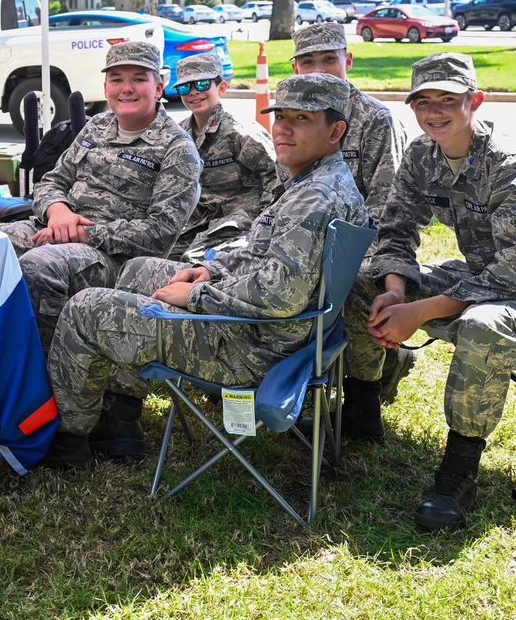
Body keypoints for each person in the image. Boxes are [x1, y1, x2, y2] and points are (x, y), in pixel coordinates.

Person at [41, 72, 371, 469]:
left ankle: (68, 443)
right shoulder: (322, 180)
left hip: (250, 351)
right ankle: (120, 421)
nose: (283, 128)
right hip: (280, 335)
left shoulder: (314, 198)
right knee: (138, 270)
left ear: (335, 131)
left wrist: (196, 296)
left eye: (302, 119)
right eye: (281, 116)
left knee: (84, 309)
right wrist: (210, 271)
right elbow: (262, 254)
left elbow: (280, 294)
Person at [342, 52, 516, 531]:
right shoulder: (422, 155)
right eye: (423, 101)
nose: (435, 111)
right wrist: (395, 291)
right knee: (360, 284)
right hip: (482, 275)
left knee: (484, 324)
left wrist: (420, 311)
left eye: (448, 99)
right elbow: (396, 231)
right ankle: (362, 406)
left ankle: (458, 473)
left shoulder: (510, 164)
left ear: (474, 101)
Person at [0, 41, 202, 354]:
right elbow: (52, 180)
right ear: (106, 87)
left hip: (114, 258)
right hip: (55, 228)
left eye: (138, 79)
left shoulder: (177, 148)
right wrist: (58, 212)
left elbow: (161, 232)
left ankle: (47, 370)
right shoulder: (96, 126)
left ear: (158, 88)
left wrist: (82, 233)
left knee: (38, 266)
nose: (126, 88)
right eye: (117, 79)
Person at [288, 21, 412, 403]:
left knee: (355, 281)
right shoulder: (293, 117)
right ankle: (281, 379)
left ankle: (364, 395)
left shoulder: (375, 119)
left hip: (365, 244)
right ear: (295, 68)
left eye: (329, 59)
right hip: (309, 238)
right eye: (308, 62)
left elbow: (387, 209)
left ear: (349, 61)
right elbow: (285, 195)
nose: (319, 70)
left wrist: (334, 256)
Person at [167, 52, 277, 260]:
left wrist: (264, 222)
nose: (193, 92)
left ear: (222, 87)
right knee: (156, 256)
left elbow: (275, 176)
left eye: (202, 84)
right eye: (185, 87)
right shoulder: (179, 134)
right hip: (197, 222)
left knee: (196, 261)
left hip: (239, 222)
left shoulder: (239, 132)